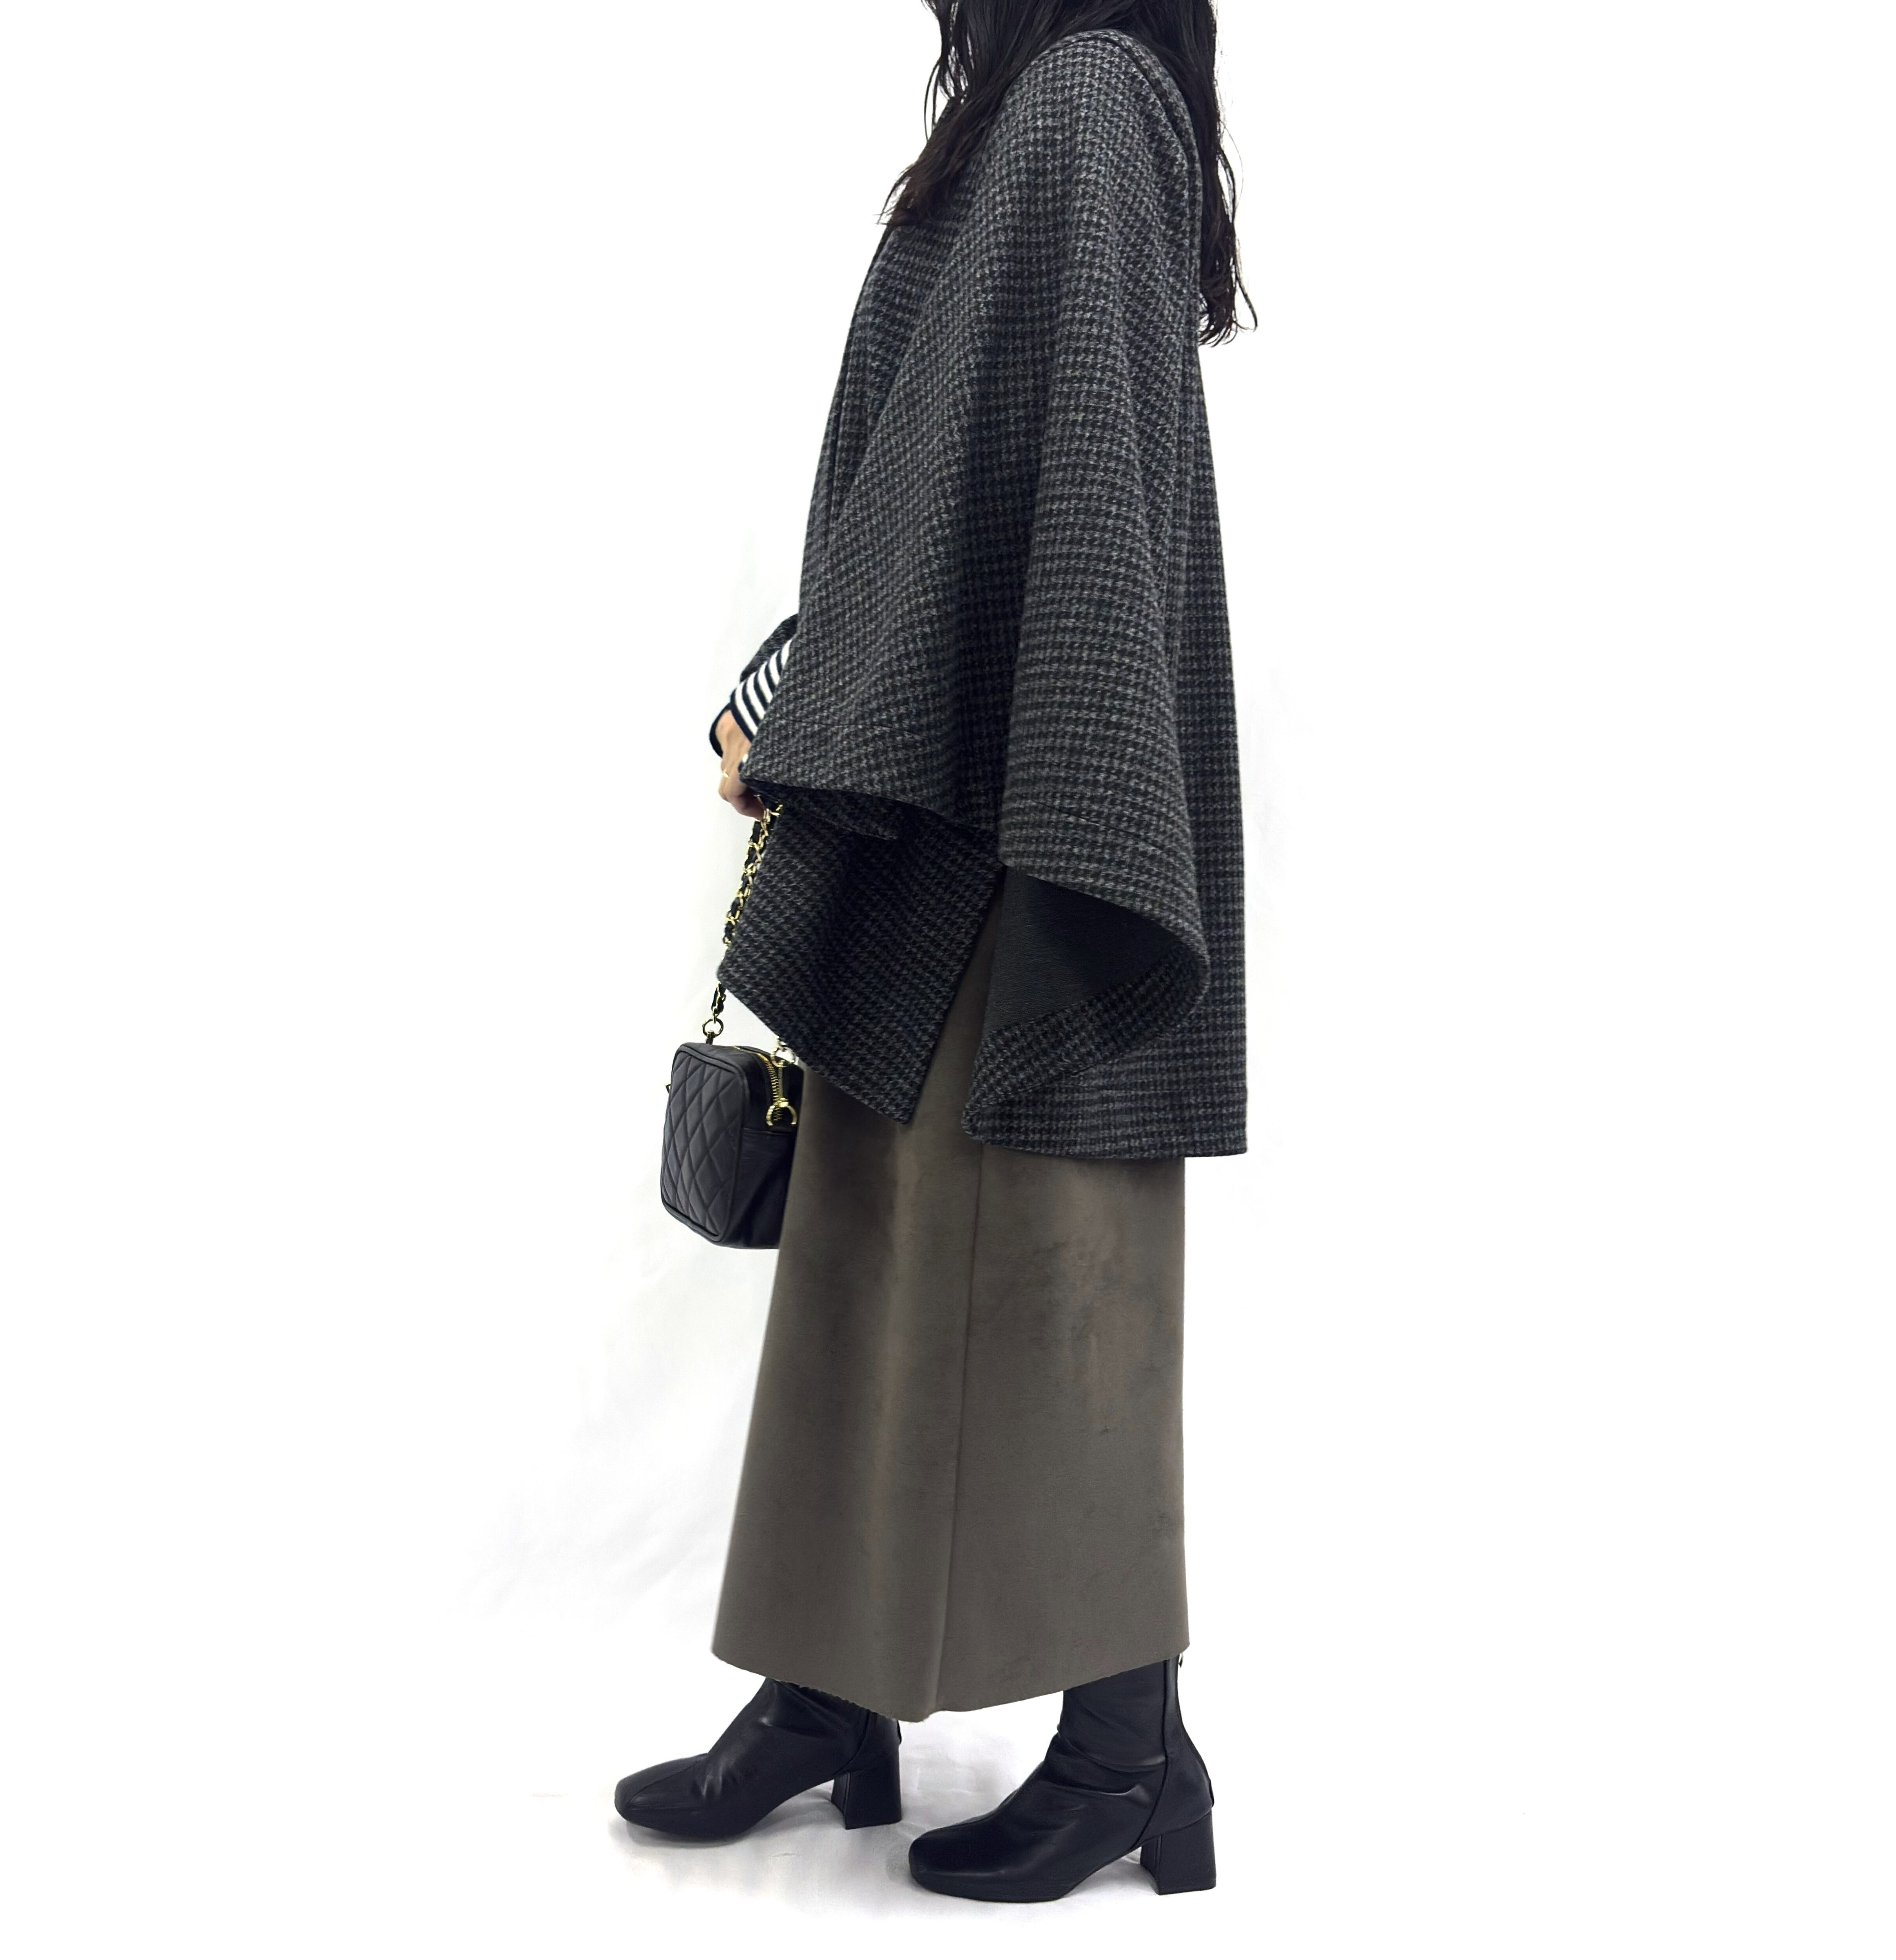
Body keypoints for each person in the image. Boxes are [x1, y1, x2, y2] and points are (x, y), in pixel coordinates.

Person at [616, 0, 1251, 1904]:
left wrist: (803, 718)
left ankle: (1131, 1756)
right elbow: (943, 470)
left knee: (1059, 1270)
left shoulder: (1085, 102)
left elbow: (1051, 497)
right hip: (962, 775)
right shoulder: (1043, 109)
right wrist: (814, 698)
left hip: (1027, 800)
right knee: (874, 1258)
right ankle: (828, 1699)